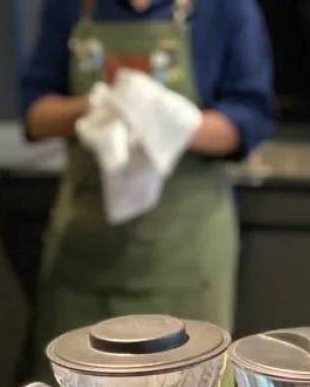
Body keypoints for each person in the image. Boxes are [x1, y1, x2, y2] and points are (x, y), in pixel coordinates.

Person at [21, 0, 275, 362]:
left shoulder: (226, 8)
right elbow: (34, 114)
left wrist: (169, 122)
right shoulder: (70, 6)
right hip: (84, 254)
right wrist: (102, 107)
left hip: (185, 254)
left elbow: (251, 117)